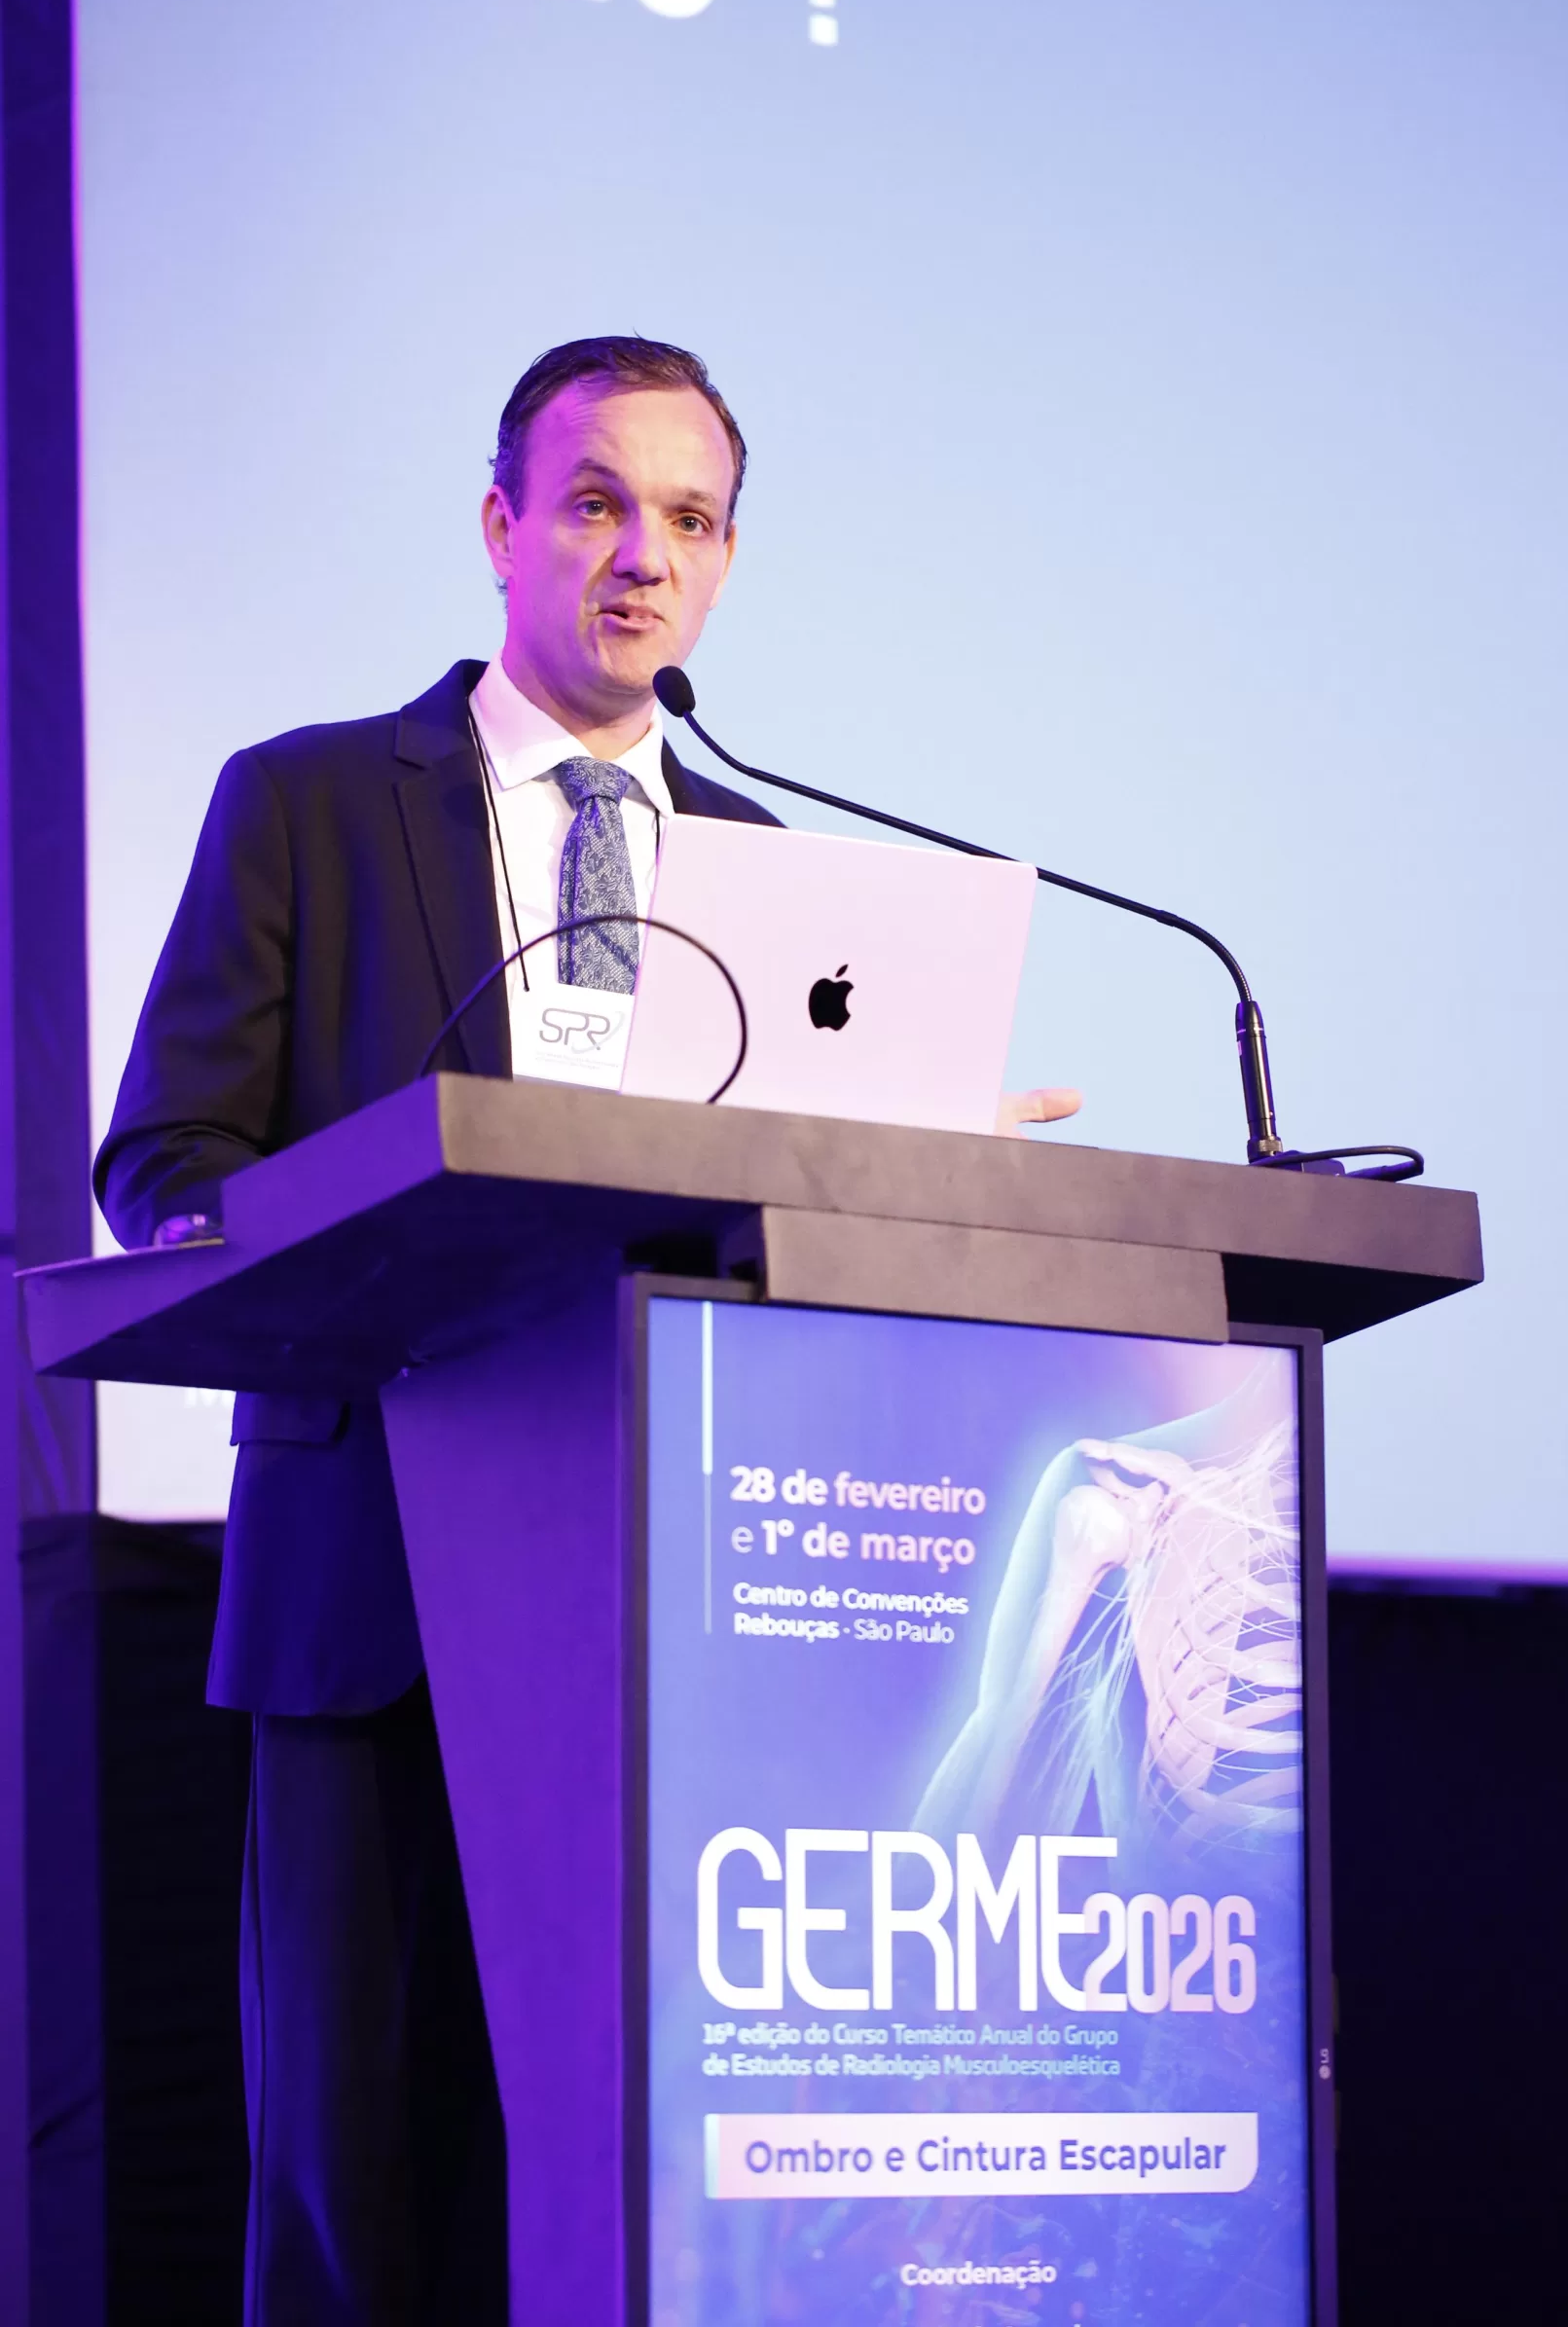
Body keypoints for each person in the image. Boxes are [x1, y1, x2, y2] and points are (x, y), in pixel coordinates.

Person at [93, 334, 1078, 2323]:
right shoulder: (307, 801)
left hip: (688, 1596)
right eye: (599, 503)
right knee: (358, 2150)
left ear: (726, 562)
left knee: (641, 2156)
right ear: (501, 526)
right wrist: (384, 1225)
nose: (645, 554)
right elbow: (164, 1162)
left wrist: (901, 1157)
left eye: (690, 519)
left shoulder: (774, 869)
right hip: (370, 1564)